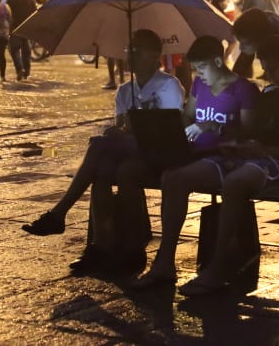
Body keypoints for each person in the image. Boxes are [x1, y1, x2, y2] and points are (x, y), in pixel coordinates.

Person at [133, 35, 279, 295]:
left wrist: (261, 149)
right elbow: (250, 130)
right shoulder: (268, 93)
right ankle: (164, 262)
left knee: (235, 183)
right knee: (176, 178)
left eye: (274, 68)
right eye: (266, 69)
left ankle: (218, 265)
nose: (270, 74)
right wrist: (235, 142)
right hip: (244, 155)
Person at [22, 30, 184, 270]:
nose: (131, 56)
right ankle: (103, 246)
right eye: (130, 50)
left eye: (137, 51)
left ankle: (60, 214)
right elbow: (120, 125)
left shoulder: (168, 85)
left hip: (158, 151)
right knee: (102, 173)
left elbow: (169, 128)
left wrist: (129, 131)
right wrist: (123, 129)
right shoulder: (124, 90)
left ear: (154, 56)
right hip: (130, 152)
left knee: (99, 146)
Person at [184, 36, 259, 153]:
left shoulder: (244, 89)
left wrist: (214, 126)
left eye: (202, 67)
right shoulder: (199, 83)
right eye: (196, 69)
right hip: (196, 151)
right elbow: (188, 116)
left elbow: (248, 135)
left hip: (224, 157)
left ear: (218, 62)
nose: (199, 73)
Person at [6, 0, 37, 81]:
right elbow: (34, 14)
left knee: (14, 50)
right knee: (26, 52)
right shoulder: (30, 0)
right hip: (26, 29)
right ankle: (26, 73)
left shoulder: (10, 0)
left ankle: (20, 69)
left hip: (15, 29)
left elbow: (8, 15)